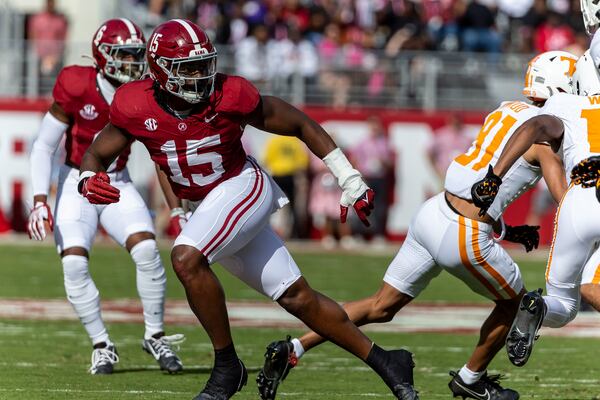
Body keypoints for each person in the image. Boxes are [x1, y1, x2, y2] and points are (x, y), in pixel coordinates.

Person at [77, 19, 419, 400]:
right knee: (297, 298)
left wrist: (349, 178)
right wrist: (86, 178)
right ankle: (389, 362)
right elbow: (96, 152)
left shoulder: (229, 94)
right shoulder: (134, 104)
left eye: (203, 64)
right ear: (159, 70)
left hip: (243, 186)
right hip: (210, 205)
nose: (200, 75)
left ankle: (227, 368)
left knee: (186, 258)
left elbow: (299, 123)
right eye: (187, 68)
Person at [258, 50, 576, 400]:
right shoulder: (545, 140)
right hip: (465, 235)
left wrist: (507, 231)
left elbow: (476, 183)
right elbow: (567, 200)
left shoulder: (505, 110)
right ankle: (471, 381)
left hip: (434, 212)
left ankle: (295, 348)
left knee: (381, 306)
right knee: (517, 307)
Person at [27, 18, 184, 375]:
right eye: (123, 55)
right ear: (103, 56)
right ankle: (102, 343)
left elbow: (161, 155)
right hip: (75, 183)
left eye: (135, 55)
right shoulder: (76, 83)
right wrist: (38, 200)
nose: (132, 64)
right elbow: (43, 146)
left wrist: (176, 209)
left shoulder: (146, 91)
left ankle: (155, 335)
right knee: (74, 263)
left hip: (118, 182)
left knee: (146, 250)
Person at [470, 40, 600, 368]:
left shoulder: (564, 106)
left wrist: (495, 175)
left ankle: (538, 307)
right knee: (593, 285)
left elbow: (536, 126)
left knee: (563, 303)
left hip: (575, 205)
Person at [27, 0, 68, 94]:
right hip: (39, 57)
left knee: (55, 82)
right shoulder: (37, 19)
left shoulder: (60, 20)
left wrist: (56, 55)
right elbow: (32, 36)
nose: (51, 4)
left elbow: (63, 38)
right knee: (38, 82)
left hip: (55, 58)